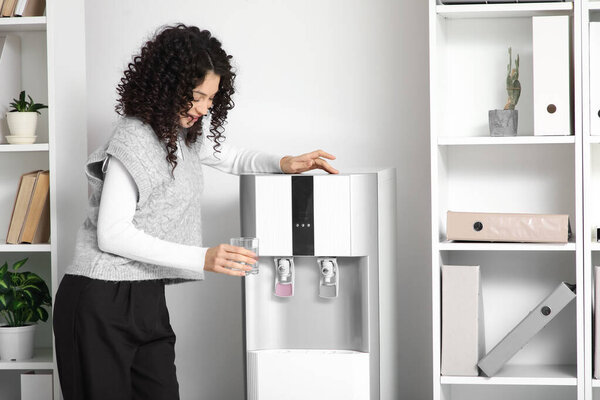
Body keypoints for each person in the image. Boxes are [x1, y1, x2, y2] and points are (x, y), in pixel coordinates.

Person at [52, 24, 337, 400]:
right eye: (197, 96)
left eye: (211, 99)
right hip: (100, 301)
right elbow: (112, 234)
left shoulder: (181, 136)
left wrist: (284, 162)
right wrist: (204, 256)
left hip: (146, 298)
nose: (204, 108)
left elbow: (233, 157)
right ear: (168, 86)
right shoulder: (134, 137)